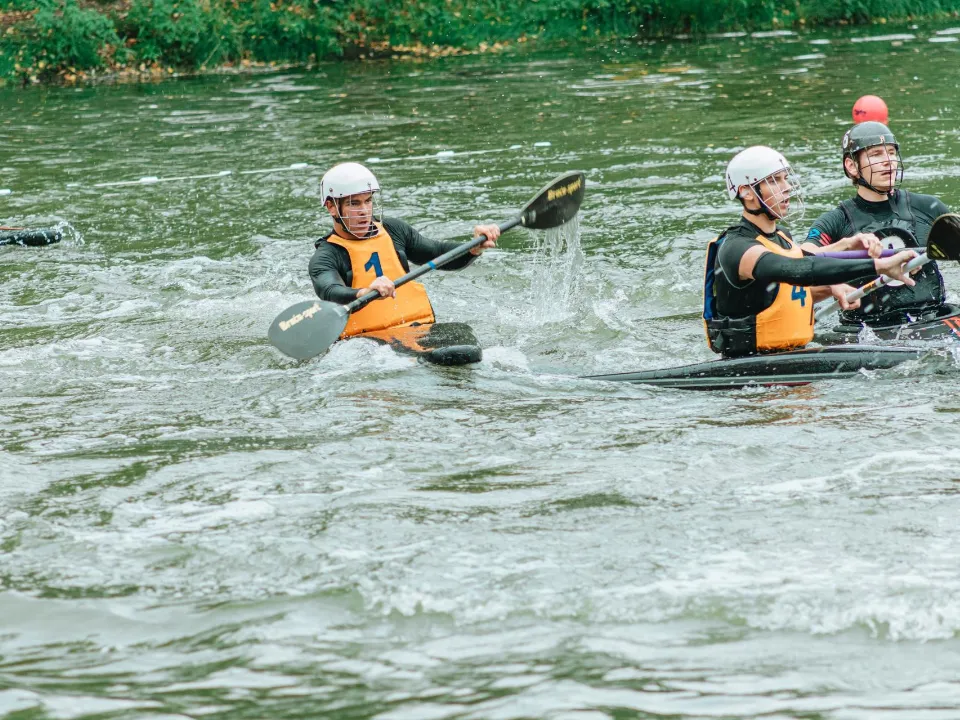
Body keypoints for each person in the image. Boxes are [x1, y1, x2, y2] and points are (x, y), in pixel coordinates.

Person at [704, 146, 918, 357]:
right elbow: (798, 270)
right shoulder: (737, 248)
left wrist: (840, 263)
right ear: (746, 191)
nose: (786, 187)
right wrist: (879, 266)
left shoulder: (781, 238)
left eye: (785, 179)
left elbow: (793, 283)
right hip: (751, 369)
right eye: (775, 180)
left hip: (792, 355)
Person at [308, 162, 501, 363]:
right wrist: (364, 292)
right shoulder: (327, 255)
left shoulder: (393, 231)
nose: (364, 211)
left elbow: (437, 253)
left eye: (368, 201)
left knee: (467, 356)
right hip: (366, 343)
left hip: (419, 330)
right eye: (354, 204)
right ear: (331, 207)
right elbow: (329, 290)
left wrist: (472, 248)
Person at [801, 121, 955, 327]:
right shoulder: (837, 221)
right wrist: (833, 281)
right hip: (868, 327)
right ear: (852, 166)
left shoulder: (929, 208)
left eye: (891, 153)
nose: (888, 161)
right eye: (876, 155)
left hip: (933, 316)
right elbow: (800, 259)